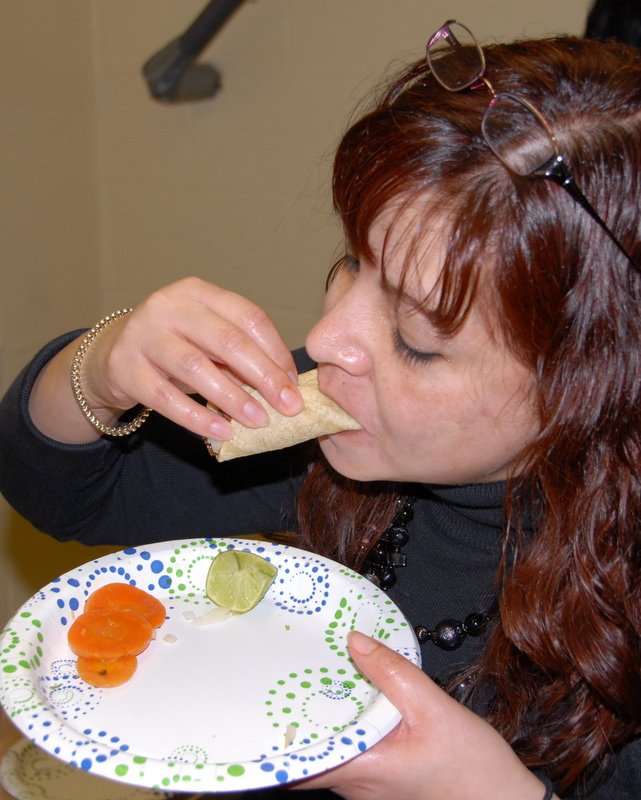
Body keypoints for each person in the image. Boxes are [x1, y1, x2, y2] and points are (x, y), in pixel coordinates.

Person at [2, 19, 641, 800]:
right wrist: (99, 365)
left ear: (594, 386)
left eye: (415, 341)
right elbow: (64, 491)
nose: (328, 337)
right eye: (351, 262)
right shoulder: (331, 425)